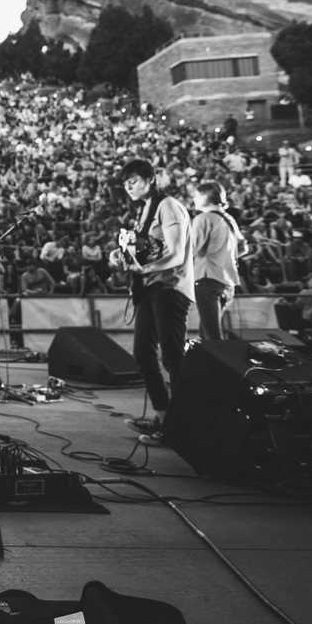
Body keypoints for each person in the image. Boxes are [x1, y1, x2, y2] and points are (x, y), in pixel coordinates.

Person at [108, 159, 193, 445]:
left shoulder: (167, 205)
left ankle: (183, 426)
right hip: (149, 288)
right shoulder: (144, 210)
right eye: (125, 184)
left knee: (172, 357)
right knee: (143, 354)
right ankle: (163, 415)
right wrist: (122, 257)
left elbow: (177, 254)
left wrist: (141, 269)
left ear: (150, 179)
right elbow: (148, 251)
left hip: (169, 288)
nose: (128, 188)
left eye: (133, 181)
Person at [190, 181, 244, 341]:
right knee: (207, 335)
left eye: (196, 195)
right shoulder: (229, 219)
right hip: (227, 283)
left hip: (208, 280)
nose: (194, 198)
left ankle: (218, 366)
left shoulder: (203, 219)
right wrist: (222, 256)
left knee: (213, 338)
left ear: (206, 196)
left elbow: (190, 250)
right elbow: (243, 248)